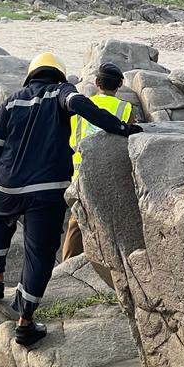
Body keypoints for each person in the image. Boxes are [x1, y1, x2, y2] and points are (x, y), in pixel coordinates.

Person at [0, 52, 142, 347]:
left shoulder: (12, 100)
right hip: (47, 190)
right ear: (59, 74)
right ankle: (25, 322)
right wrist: (121, 128)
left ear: (32, 73)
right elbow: (78, 104)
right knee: (39, 253)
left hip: (8, 185)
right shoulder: (62, 92)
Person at [61, 62, 135, 261]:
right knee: (112, 223)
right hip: (110, 173)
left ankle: (67, 267)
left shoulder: (80, 106)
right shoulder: (125, 108)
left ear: (96, 83)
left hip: (79, 172)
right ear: (120, 84)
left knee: (76, 223)